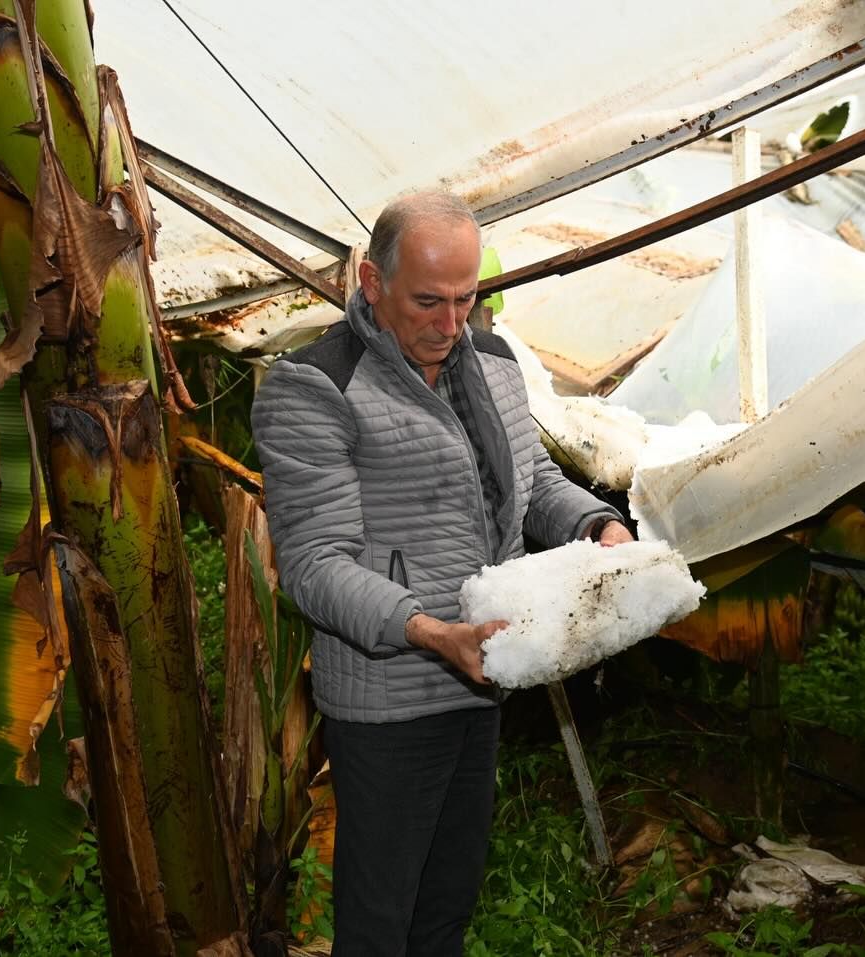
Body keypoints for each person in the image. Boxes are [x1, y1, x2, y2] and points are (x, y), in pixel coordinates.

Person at [251, 191, 633, 956]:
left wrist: (597, 525)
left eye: (465, 299)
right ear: (372, 282)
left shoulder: (494, 362)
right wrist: (430, 632)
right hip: (389, 698)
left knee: (445, 912)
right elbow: (314, 565)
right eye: (428, 301)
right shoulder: (314, 385)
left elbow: (531, 482)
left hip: (482, 677)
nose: (451, 323)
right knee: (379, 925)